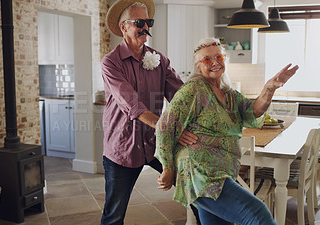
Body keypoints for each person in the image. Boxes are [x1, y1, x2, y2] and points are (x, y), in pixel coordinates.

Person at [155, 37, 299, 225]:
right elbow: (166, 126)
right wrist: (168, 168)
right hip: (200, 172)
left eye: (219, 57)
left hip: (222, 170)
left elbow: (253, 110)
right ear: (198, 66)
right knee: (258, 214)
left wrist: (269, 88)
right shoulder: (193, 90)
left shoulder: (229, 94)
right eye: (207, 60)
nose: (215, 63)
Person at [100, 0, 198, 224]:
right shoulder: (111, 63)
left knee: (197, 192)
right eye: (139, 22)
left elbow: (181, 96)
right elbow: (132, 105)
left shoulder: (159, 59)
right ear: (124, 27)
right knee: (113, 215)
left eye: (149, 22)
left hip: (156, 143)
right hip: (122, 148)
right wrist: (170, 127)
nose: (146, 27)